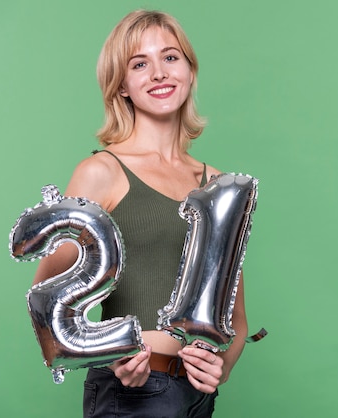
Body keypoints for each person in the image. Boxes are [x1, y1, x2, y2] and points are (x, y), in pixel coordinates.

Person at [32, 9, 248, 418]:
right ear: (123, 85)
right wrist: (112, 354)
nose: (159, 73)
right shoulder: (101, 172)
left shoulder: (219, 186)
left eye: (170, 57)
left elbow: (234, 317)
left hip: (197, 399)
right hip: (131, 393)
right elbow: (47, 302)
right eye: (139, 64)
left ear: (188, 69)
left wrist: (221, 367)